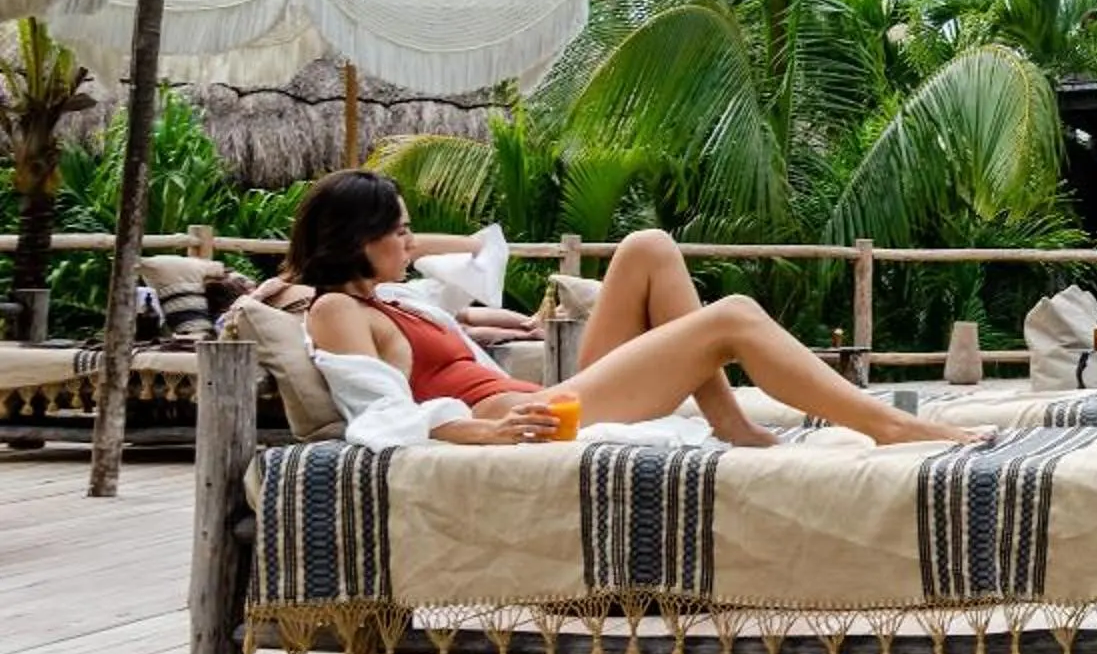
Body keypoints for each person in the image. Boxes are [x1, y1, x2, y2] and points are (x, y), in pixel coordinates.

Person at [288, 170, 967, 449]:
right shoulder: (337, 313)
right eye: (399, 231)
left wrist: (389, 229)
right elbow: (377, 419)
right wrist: (477, 434)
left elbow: (477, 255)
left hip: (553, 394)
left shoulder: (391, 296)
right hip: (542, 418)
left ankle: (726, 417)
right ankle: (887, 426)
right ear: (356, 240)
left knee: (648, 246)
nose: (411, 243)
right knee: (729, 315)